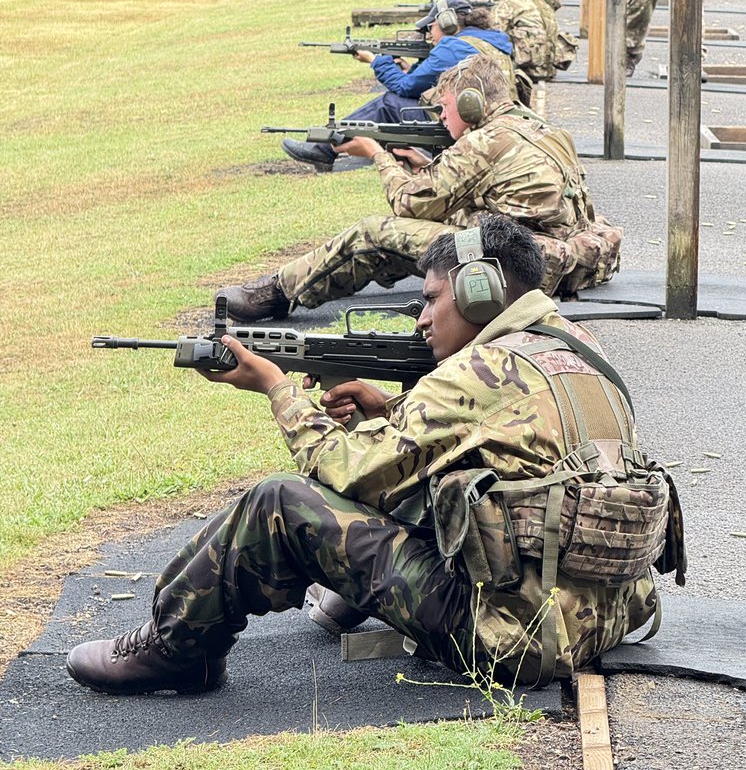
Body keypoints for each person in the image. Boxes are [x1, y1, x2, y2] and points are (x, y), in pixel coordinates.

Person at [65, 216, 660, 696]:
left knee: (279, 502)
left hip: (512, 639)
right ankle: (336, 606)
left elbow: (346, 469)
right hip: (601, 620)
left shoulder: (477, 371)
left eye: (432, 299)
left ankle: (175, 648)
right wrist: (391, 411)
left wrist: (276, 387)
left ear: (481, 293)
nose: (424, 319)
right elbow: (498, 451)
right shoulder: (577, 346)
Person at [219, 54, 623, 322]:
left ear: (470, 105)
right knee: (410, 242)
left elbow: (408, 204)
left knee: (373, 233)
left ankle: (274, 294)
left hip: (512, 263)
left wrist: (376, 154)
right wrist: (425, 166)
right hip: (551, 258)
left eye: (446, 107)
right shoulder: (543, 129)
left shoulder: (485, 142)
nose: (443, 118)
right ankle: (311, 285)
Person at [284, 0, 514, 170]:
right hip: (498, 122)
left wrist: (376, 61)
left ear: (448, 23)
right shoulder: (493, 42)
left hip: (474, 124)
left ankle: (324, 149)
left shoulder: (454, 46)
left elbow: (406, 88)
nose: (429, 35)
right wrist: (408, 70)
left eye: (430, 27)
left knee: (390, 103)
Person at [492, 0, 561, 82]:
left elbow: (495, 33)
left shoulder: (511, 1)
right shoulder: (543, 0)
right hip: (547, 69)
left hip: (526, 69)